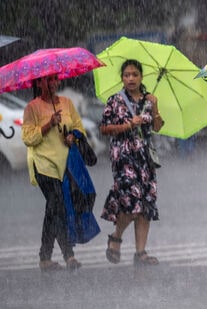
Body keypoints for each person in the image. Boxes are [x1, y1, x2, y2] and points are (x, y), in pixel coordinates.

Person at [100, 59, 164, 267]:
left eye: (135, 74)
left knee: (145, 203)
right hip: (123, 156)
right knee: (131, 201)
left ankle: (141, 252)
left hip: (144, 158)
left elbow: (157, 126)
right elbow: (104, 128)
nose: (131, 78)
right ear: (122, 78)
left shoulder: (148, 99)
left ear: (141, 77)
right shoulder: (115, 100)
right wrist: (128, 124)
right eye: (127, 75)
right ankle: (116, 237)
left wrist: (155, 107)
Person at [22, 74, 85, 271]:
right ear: (39, 83)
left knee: (53, 210)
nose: (52, 83)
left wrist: (72, 138)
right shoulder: (32, 107)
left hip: (64, 164)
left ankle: (45, 258)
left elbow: (79, 129)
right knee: (57, 204)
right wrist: (49, 124)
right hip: (43, 164)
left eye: (54, 79)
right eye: (47, 80)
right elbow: (28, 138)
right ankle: (69, 255)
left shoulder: (66, 103)